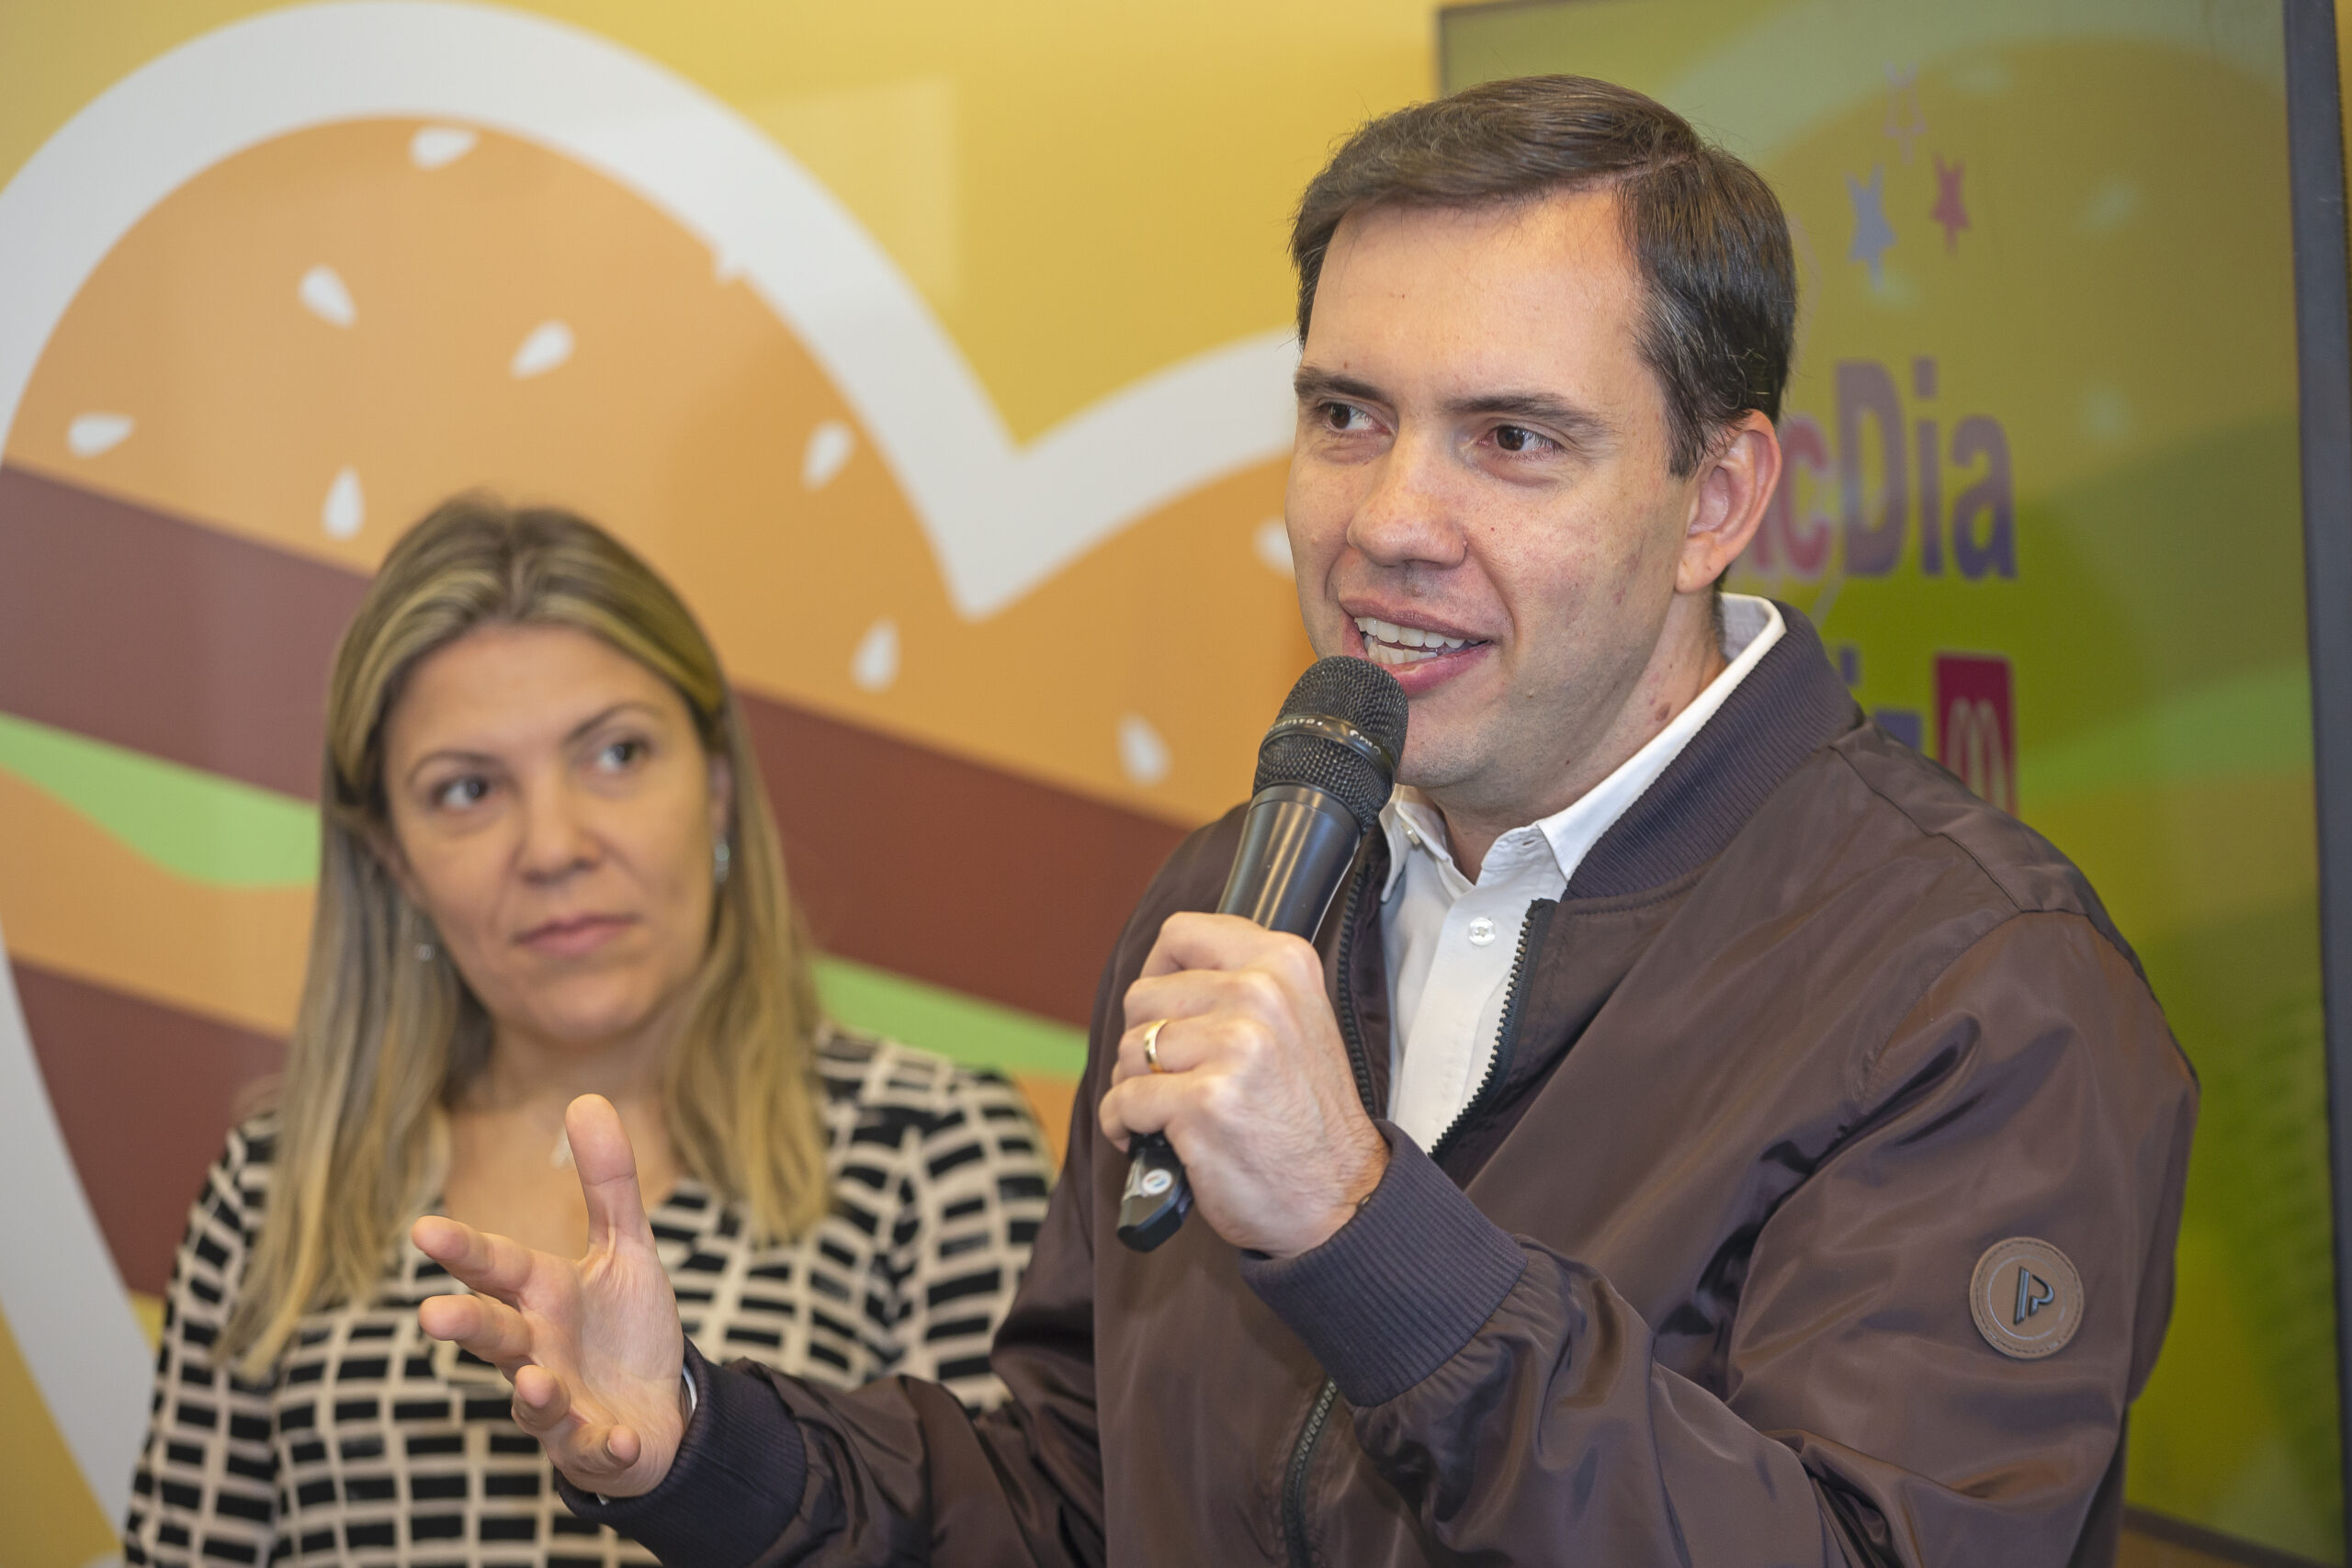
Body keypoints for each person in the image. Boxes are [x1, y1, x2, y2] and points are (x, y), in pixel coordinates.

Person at [413, 77, 2196, 1566]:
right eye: (1345, 415)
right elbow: (1080, 1486)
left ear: (1716, 495)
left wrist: (1360, 1228)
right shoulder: (1251, 884)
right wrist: (704, 1445)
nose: (1389, 519)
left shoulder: (1977, 991)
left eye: (1512, 438)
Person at [123, 500, 1051, 1568]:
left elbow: (1010, 1544)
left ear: (715, 787)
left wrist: (709, 1457)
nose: (555, 844)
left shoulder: (930, 1149)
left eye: (614, 754)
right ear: (394, 860)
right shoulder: (277, 1188)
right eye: (467, 789)